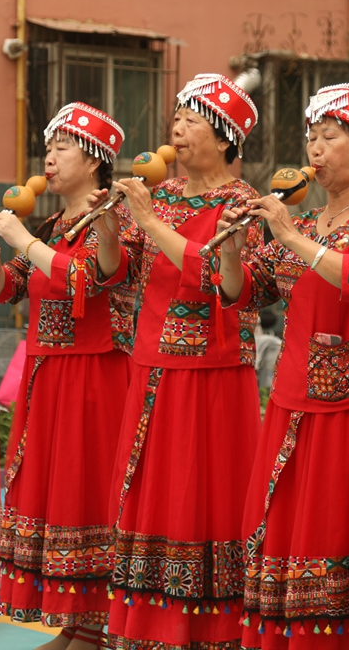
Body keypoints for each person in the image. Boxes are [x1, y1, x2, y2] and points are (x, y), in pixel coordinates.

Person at [214, 84, 349, 650]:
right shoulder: (301, 221)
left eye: (330, 138)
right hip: (292, 399)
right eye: (312, 138)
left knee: (345, 528)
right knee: (283, 528)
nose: (316, 150)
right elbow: (243, 292)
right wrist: (229, 246)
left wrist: (287, 233)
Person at [0, 103, 138, 650]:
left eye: (63, 146)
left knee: (86, 493)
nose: (49, 157)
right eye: (50, 147)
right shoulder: (50, 224)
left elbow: (89, 278)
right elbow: (5, 289)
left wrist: (21, 241)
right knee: (55, 495)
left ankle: (96, 626)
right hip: (50, 375)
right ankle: (75, 621)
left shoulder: (114, 215)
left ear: (93, 162)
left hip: (96, 376)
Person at [106, 74, 264, 650]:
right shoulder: (163, 193)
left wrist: (148, 222)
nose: (178, 129)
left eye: (193, 120)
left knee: (204, 496)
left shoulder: (241, 203)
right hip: (152, 364)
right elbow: (115, 270)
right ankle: (149, 629)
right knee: (151, 494)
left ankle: (212, 631)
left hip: (213, 370)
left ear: (226, 140)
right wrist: (106, 224)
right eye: (177, 117)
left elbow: (218, 281)